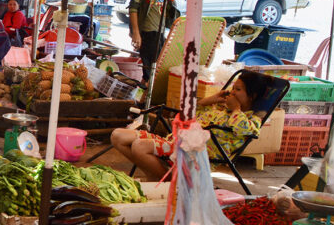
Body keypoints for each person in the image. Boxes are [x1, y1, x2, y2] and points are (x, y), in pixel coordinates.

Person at [110, 70, 266, 181]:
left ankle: (170, 181)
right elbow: (189, 112)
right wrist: (211, 99)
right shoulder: (219, 109)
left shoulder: (251, 120)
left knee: (139, 146)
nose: (232, 93)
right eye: (232, 88)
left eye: (237, 90)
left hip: (192, 154)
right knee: (117, 135)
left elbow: (242, 128)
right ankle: (154, 172)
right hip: (174, 142)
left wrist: (236, 110)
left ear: (252, 96)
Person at [129, 0, 183, 82]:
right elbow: (133, 8)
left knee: (156, 68)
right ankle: (144, 98)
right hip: (148, 31)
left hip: (160, 30)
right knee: (150, 71)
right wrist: (136, 33)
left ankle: (142, 98)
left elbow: (170, 6)